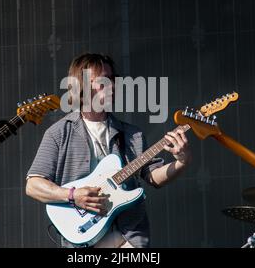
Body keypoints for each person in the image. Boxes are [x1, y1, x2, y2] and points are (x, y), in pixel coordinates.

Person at [26, 53, 191, 248]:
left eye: (113, 79)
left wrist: (181, 161)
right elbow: (33, 185)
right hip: (82, 239)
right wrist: (72, 195)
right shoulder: (58, 133)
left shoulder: (131, 134)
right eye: (103, 81)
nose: (112, 86)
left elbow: (154, 177)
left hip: (128, 235)